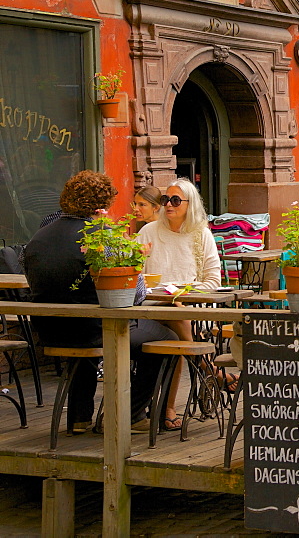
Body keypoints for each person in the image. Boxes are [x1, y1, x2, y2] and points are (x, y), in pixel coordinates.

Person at [23, 171, 176, 433]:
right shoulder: (102, 237)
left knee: (86, 329)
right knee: (168, 340)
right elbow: (135, 295)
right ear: (102, 204)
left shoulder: (38, 237)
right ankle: (132, 414)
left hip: (49, 330)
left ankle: (80, 418)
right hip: (94, 330)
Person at [137, 177, 225, 430]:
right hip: (150, 307)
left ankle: (169, 406)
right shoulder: (148, 232)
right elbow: (132, 274)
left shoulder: (201, 235)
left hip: (190, 308)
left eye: (176, 200)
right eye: (165, 200)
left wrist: (182, 292)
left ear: (190, 204)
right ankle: (210, 371)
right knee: (178, 321)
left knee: (177, 324)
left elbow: (212, 281)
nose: (169, 205)